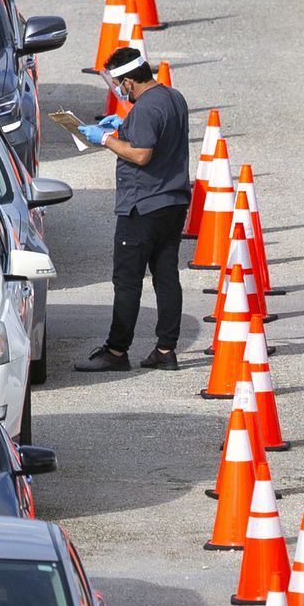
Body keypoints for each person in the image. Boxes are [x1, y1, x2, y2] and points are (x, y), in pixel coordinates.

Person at [74, 48, 191, 373]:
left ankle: (116, 351)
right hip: (173, 204)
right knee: (167, 277)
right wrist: (124, 124)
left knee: (127, 281)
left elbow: (141, 155)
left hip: (142, 207)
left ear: (128, 81)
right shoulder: (172, 96)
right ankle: (165, 349)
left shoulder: (145, 110)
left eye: (117, 84)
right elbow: (157, 134)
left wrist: (106, 139)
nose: (117, 90)